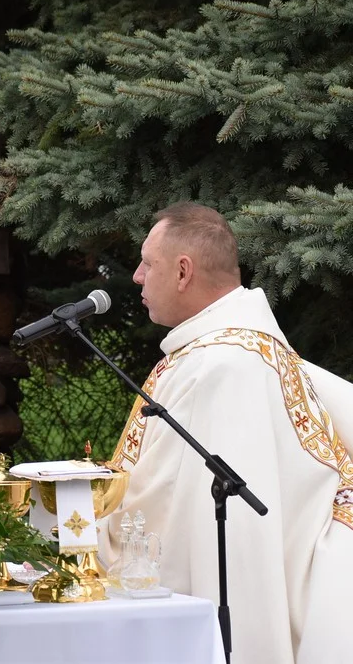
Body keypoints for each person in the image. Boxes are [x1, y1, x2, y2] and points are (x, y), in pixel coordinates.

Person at [100, 201, 353, 664]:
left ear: (182, 271)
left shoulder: (220, 365)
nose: (136, 276)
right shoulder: (238, 348)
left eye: (147, 263)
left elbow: (171, 509)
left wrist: (86, 516)